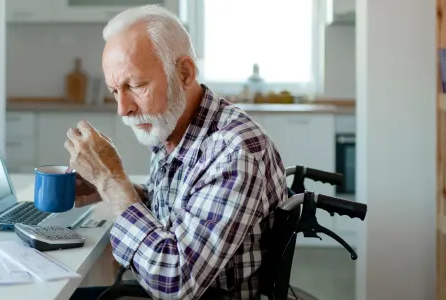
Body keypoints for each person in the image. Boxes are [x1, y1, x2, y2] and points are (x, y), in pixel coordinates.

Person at [64, 4, 287, 300]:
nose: (123, 108)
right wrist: (110, 189)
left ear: (184, 72)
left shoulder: (234, 150)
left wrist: (111, 180)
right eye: (116, 90)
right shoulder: (174, 126)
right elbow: (179, 209)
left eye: (137, 85)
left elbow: (176, 282)